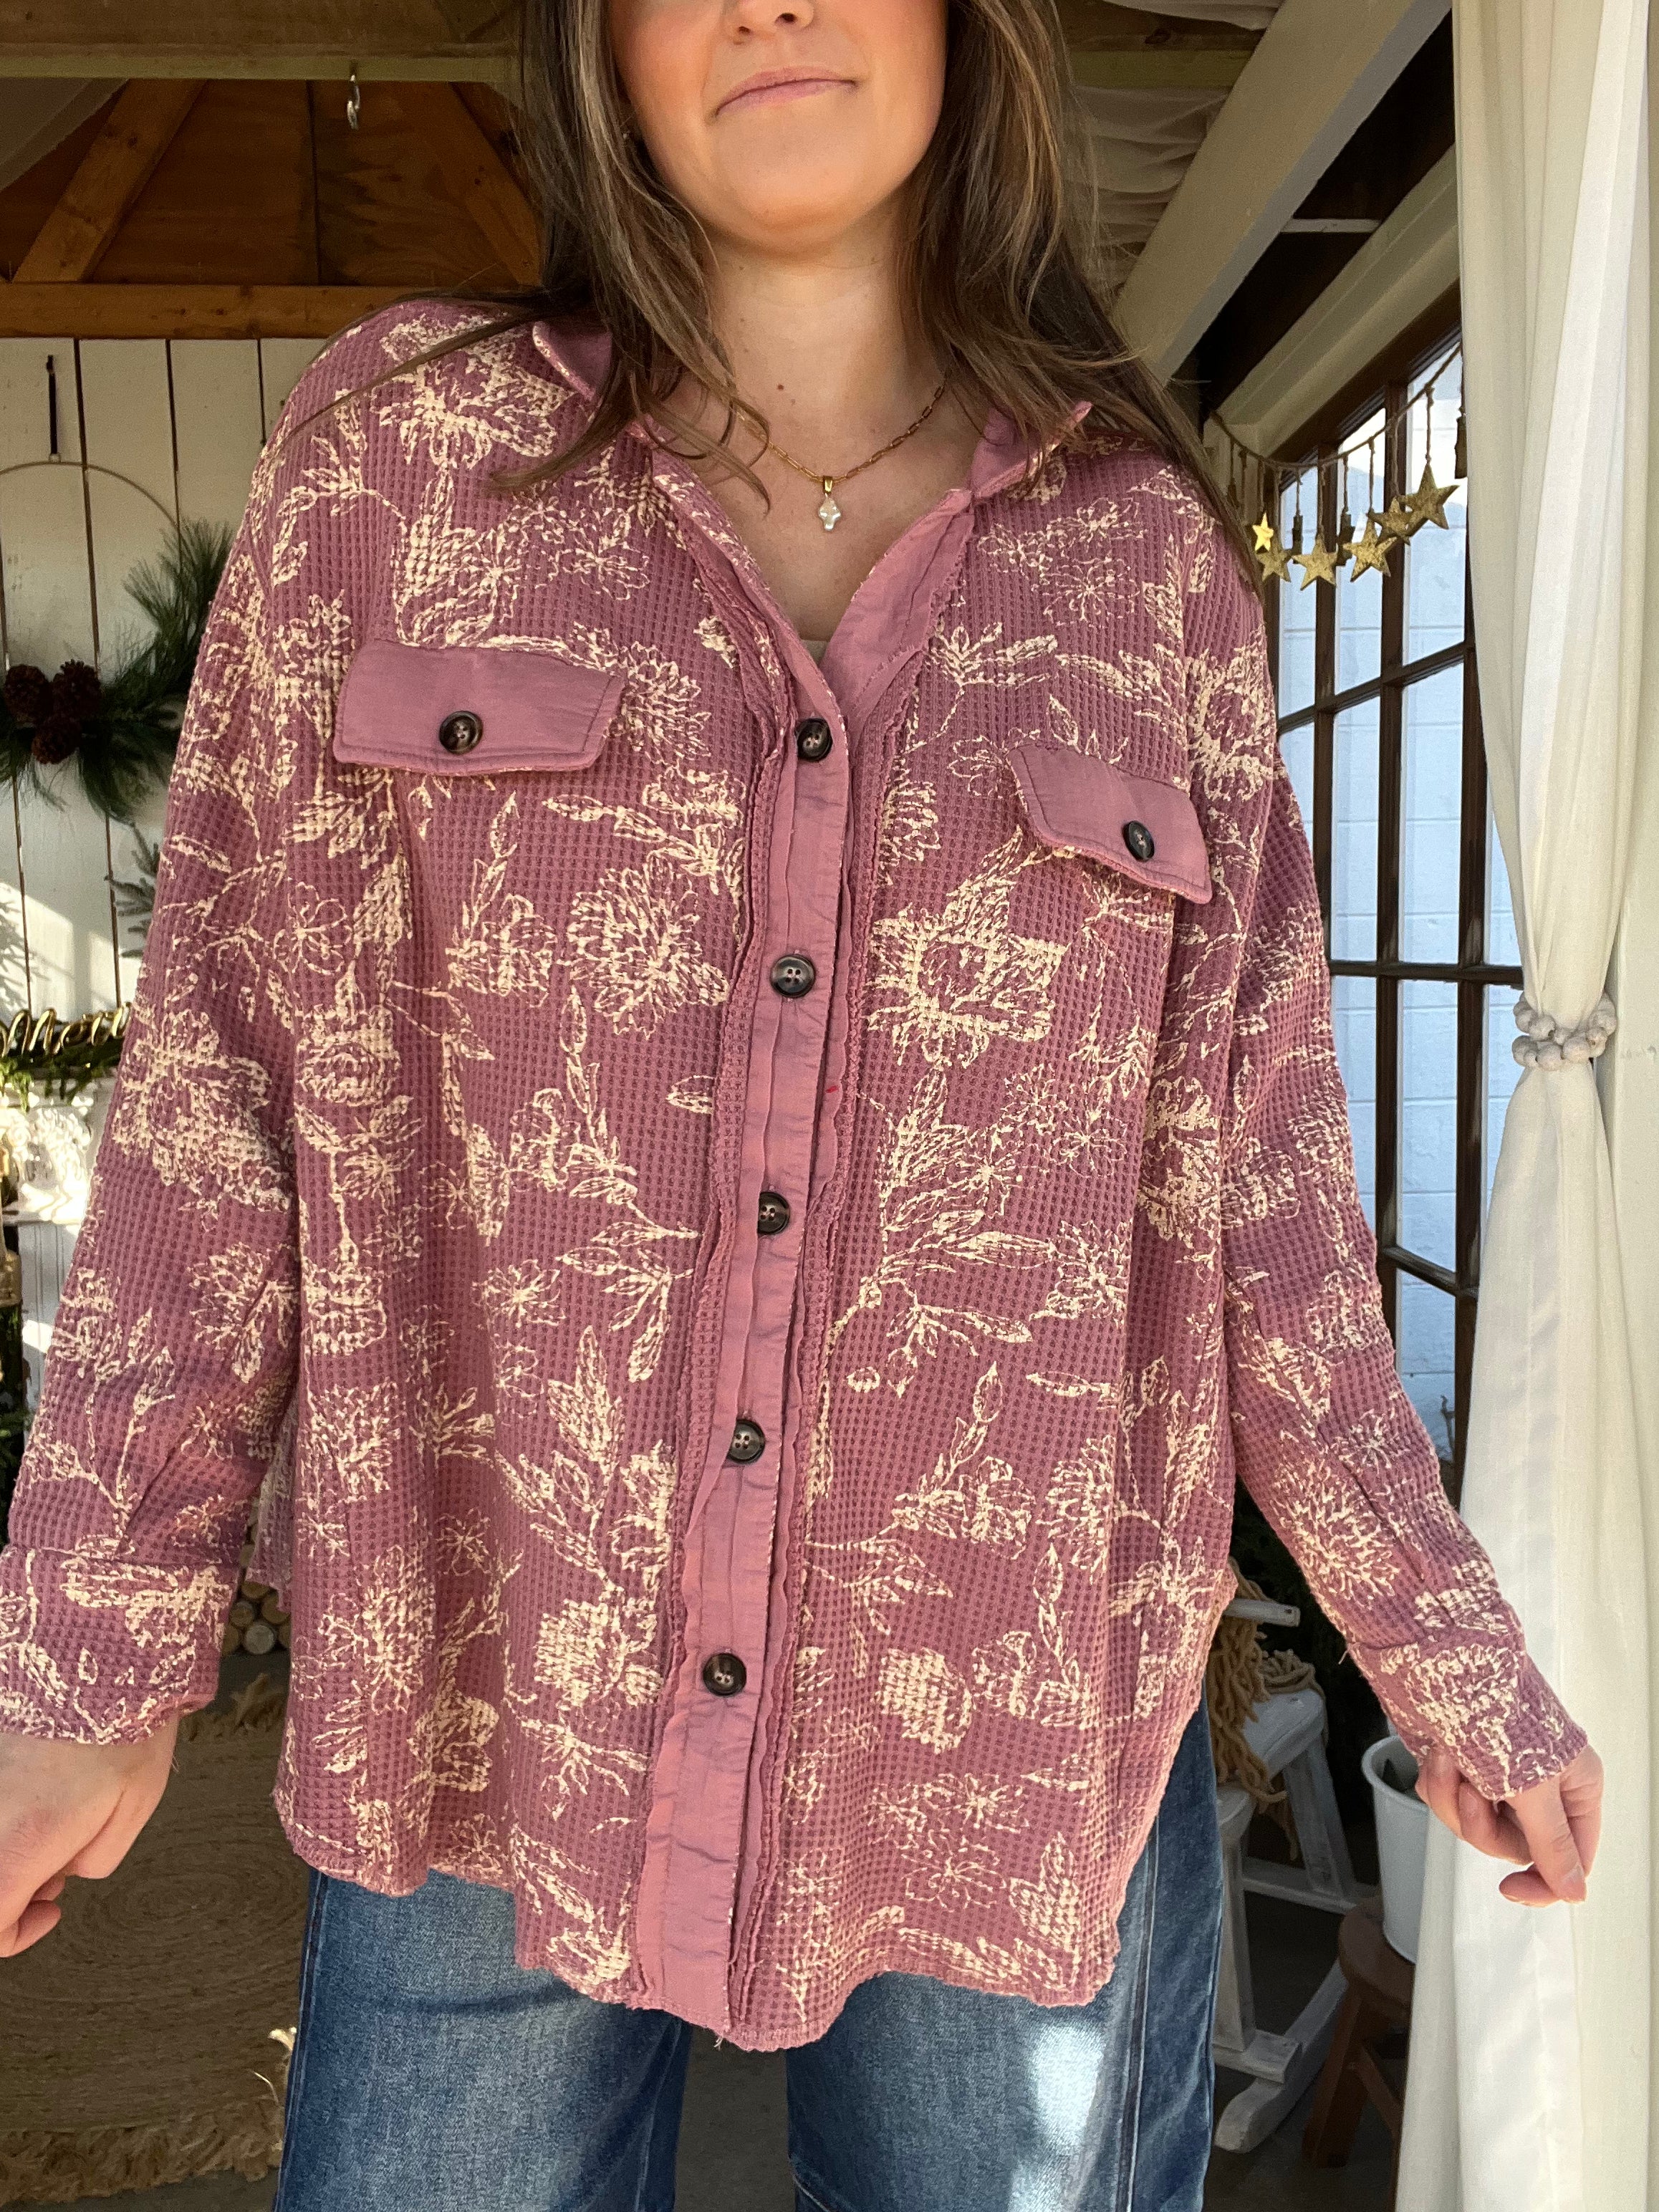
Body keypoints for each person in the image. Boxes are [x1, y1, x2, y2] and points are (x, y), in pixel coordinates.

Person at [0, 2, 1602, 2207]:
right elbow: (221, 1091)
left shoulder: (1138, 562)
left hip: (1002, 1732)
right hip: (486, 1708)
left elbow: (1261, 1196)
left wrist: (1440, 1648)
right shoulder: (402, 462)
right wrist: (88, 1655)